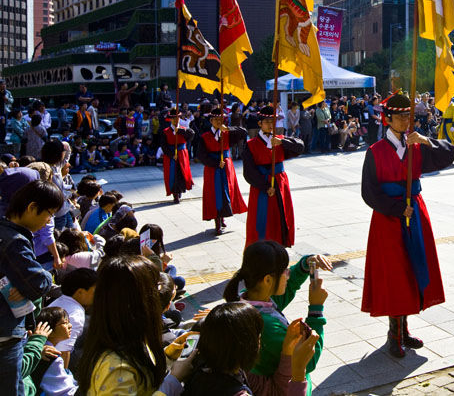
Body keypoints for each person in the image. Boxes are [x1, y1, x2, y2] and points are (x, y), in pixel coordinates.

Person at [360, 92, 454, 358]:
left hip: (415, 214)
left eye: (409, 116)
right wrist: (395, 208)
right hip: (389, 219)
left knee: (413, 270)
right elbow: (369, 192)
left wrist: (427, 141)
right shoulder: (375, 152)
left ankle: (404, 330)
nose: (407, 121)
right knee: (395, 274)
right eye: (402, 116)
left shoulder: (416, 145)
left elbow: (450, 156)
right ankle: (393, 334)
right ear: (388, 119)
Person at [77, 255, 197, 395]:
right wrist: (173, 380)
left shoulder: (126, 338)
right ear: (136, 301)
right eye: (153, 287)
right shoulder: (117, 369)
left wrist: (168, 357)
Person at [222, 241, 331, 394]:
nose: (288, 274)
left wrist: (305, 265)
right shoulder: (267, 326)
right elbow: (308, 360)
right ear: (267, 280)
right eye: (285, 270)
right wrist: (316, 310)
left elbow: (289, 285)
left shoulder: (251, 298)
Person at [0, 180, 64, 395]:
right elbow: (38, 283)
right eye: (49, 213)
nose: (48, 221)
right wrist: (44, 274)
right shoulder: (15, 241)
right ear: (32, 208)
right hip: (6, 337)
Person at [241, 106, 304, 248]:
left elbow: (300, 146)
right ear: (259, 124)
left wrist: (283, 142)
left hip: (280, 185)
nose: (270, 125)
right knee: (262, 219)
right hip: (262, 186)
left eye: (272, 121)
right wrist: (265, 186)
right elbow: (249, 172)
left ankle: (280, 246)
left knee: (280, 216)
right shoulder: (251, 144)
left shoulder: (280, 140)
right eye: (267, 122)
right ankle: (261, 250)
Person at [197, 108, 248, 235]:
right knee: (215, 193)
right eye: (216, 120)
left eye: (221, 119)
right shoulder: (205, 136)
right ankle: (217, 221)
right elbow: (201, 155)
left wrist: (229, 129)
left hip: (226, 166)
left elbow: (243, 132)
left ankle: (224, 215)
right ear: (211, 120)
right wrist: (214, 163)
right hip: (212, 168)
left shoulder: (227, 133)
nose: (219, 122)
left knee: (227, 191)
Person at [48, 268, 97, 370]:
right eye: (95, 291)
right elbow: (64, 351)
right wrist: (64, 379)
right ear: (80, 292)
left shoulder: (60, 301)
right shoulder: (76, 313)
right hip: (52, 365)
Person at [34, 306, 80, 395]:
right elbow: (65, 391)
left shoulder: (41, 349)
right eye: (65, 323)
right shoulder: (51, 356)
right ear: (49, 329)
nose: (70, 326)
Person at [161, 108, 195, 203]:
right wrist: (171, 154)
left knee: (181, 173)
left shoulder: (183, 129)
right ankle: (175, 194)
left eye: (178, 118)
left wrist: (179, 131)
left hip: (182, 154)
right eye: (174, 118)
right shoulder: (166, 131)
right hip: (171, 155)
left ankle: (180, 191)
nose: (176, 120)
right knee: (173, 174)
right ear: (170, 119)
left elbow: (192, 135)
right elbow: (163, 145)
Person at [0, 79, 13, 144]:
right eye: (2, 84)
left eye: (5, 84)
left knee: (3, 126)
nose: (4, 86)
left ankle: (2, 140)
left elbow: (12, 101)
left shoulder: (7, 93)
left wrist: (7, 99)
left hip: (4, 112)